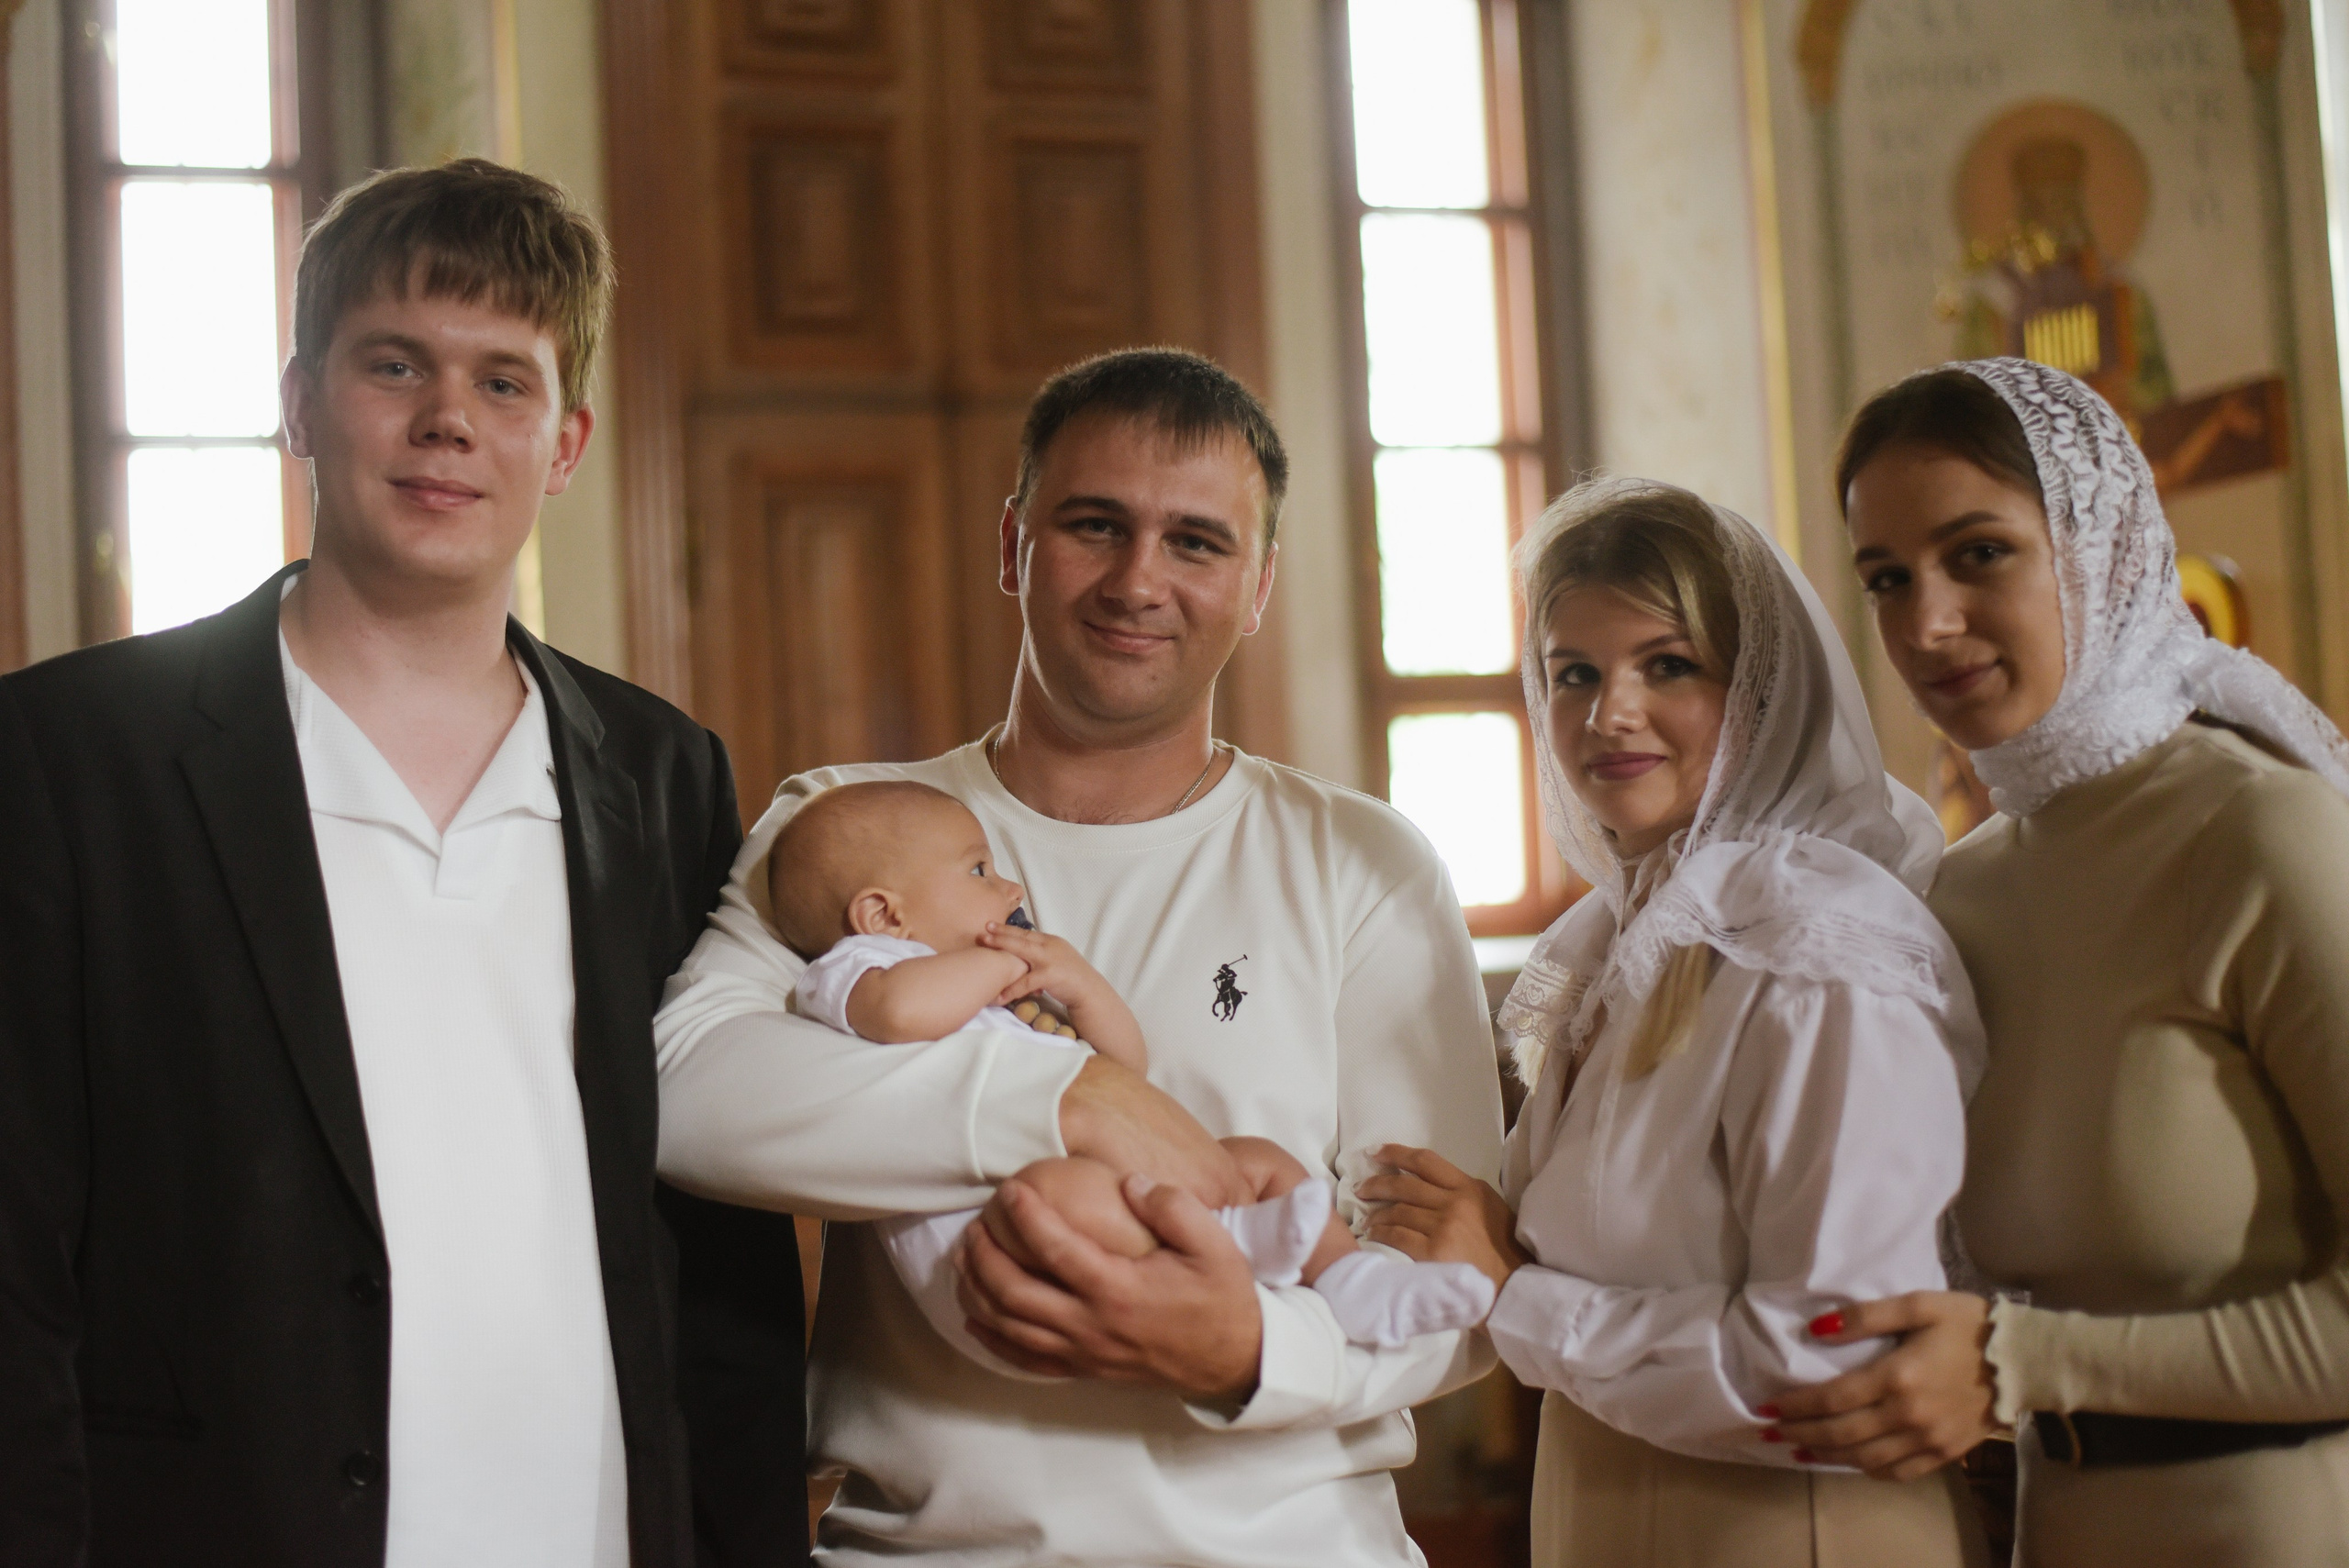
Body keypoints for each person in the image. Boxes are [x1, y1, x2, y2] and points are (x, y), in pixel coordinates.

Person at [0, 161, 804, 1568]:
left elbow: (719, 1264)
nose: (448, 422)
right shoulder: (72, 757)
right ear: (303, 400)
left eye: (505, 382)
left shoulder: (667, 777)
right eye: (396, 365)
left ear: (566, 442)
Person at [651, 347, 1504, 1566]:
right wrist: (1064, 1095)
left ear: (1258, 583)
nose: (1138, 579)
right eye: (1094, 524)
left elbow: (1446, 1275)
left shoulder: (1362, 862)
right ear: (1013, 546)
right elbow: (688, 1096)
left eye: (1197, 542)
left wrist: (1248, 1351)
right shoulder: (840, 833)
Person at [1772, 358, 2349, 1567]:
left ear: (2101, 547)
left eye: (1979, 553)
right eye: (1887, 578)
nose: (1926, 623)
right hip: (2046, 1527)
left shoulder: (2262, 833)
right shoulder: (1955, 889)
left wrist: (2013, 1359)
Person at [1364, 479, 1990, 1568]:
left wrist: (1516, 1296)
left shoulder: (1820, 951)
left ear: (1759, 688)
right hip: (1605, 1512)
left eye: (1667, 665)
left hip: (1793, 1533)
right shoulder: (1612, 944)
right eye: (1573, 673)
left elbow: (1835, 1362)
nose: (1609, 711)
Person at [764, 777, 1496, 1368]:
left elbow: (1123, 1069)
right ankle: (1241, 1242)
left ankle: (1351, 1279)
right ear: (881, 913)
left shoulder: (991, 990)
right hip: (1001, 1239)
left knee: (1258, 1158)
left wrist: (1078, 983)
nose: (1008, 887)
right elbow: (897, 1014)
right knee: (1050, 1193)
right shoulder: (864, 966)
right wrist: (1000, 961)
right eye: (979, 871)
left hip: (1123, 1187)